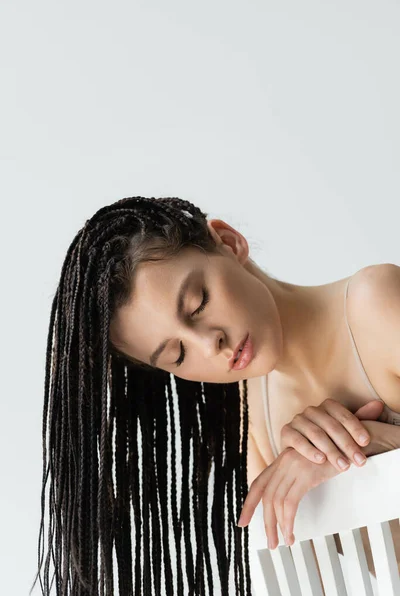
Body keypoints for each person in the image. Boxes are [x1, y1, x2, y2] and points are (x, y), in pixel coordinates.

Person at [30, 195, 400, 595]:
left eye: (198, 302)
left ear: (228, 241)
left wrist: (375, 448)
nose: (211, 345)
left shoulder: (375, 304)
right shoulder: (254, 422)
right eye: (178, 355)